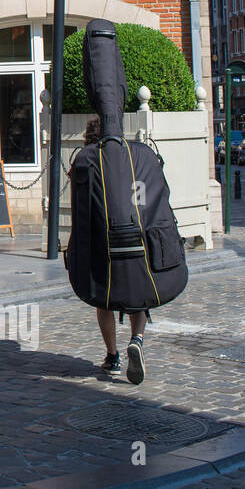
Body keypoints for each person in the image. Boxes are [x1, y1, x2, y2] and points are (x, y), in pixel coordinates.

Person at [83, 116, 147, 384]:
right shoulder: (129, 162)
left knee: (104, 301)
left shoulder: (87, 164)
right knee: (139, 297)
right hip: (132, 236)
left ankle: (112, 355)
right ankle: (138, 339)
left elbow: (82, 210)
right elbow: (142, 202)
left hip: (102, 242)